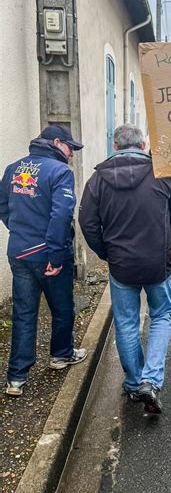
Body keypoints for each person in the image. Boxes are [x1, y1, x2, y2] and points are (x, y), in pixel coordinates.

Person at [79, 124, 171, 413]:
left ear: (115, 145)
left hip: (121, 265)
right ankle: (150, 382)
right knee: (162, 315)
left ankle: (133, 382)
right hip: (156, 262)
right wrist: (163, 239)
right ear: (142, 146)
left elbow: (87, 222)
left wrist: (106, 252)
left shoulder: (98, 180)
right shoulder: (160, 173)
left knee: (126, 322)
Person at [0, 125, 87, 397]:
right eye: (70, 147)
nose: (71, 154)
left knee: (24, 314)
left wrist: (19, 232)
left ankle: (16, 378)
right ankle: (61, 355)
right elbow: (61, 216)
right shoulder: (60, 172)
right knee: (62, 308)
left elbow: (3, 207)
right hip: (48, 254)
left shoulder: (13, 168)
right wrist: (56, 256)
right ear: (57, 142)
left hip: (19, 252)